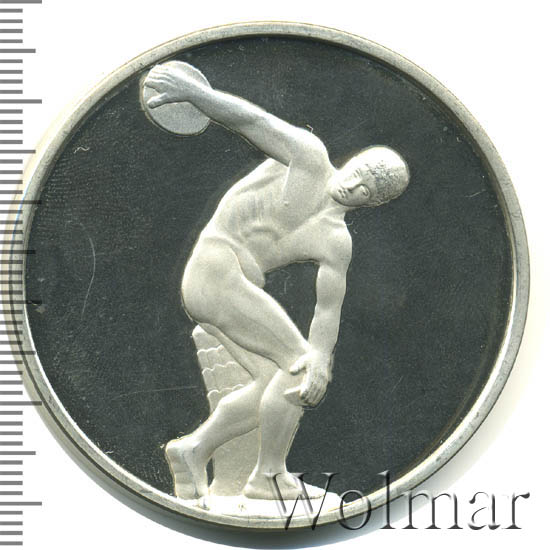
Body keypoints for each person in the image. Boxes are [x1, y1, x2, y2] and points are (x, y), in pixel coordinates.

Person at [145, 63, 410, 500]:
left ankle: (192, 450)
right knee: (297, 366)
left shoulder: (335, 240)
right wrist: (196, 94)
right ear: (352, 160)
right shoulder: (308, 157)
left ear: (373, 203)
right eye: (357, 172)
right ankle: (267, 478)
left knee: (279, 379)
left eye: (365, 189)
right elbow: (253, 120)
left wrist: (322, 357)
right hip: (216, 266)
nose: (352, 185)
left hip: (229, 288)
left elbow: (328, 308)